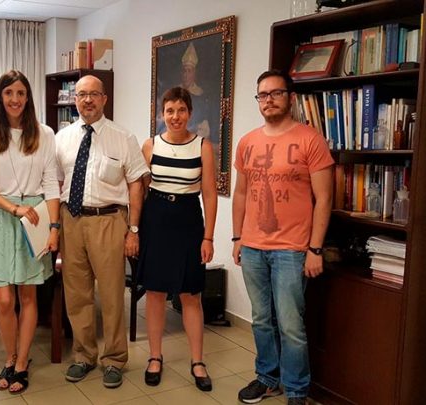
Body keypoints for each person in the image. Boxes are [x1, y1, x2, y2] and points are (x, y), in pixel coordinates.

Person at [233, 70, 333, 405]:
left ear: (290, 98)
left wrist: (315, 248)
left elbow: (324, 198)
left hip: (292, 249)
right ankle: (267, 378)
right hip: (252, 246)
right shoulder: (247, 142)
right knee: (261, 320)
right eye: (262, 95)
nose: (269, 100)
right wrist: (237, 238)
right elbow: (241, 193)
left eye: (276, 93)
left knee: (291, 324)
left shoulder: (310, 140)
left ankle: (296, 389)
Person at [56, 75, 149, 389]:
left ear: (104, 99)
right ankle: (83, 356)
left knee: (110, 295)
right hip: (71, 220)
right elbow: (55, 184)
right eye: (81, 94)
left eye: (94, 94)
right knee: (77, 294)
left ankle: (114, 359)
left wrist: (133, 230)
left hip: (109, 220)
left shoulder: (123, 137)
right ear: (75, 99)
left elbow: (136, 185)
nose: (87, 100)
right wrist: (55, 226)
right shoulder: (62, 138)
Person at [0, 70, 60, 394]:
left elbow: (51, 183)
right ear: (0, 97)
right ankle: (9, 357)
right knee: (5, 298)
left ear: (28, 97)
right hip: (1, 216)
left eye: (21, 93)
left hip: (35, 216)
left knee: (28, 294)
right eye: (9, 93)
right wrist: (12, 208)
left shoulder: (44, 134)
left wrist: (54, 227)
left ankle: (22, 363)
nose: (15, 99)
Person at [137, 86, 217, 390]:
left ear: (190, 113)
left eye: (181, 110)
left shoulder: (202, 146)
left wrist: (208, 237)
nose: (175, 116)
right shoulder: (150, 146)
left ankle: (197, 361)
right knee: (155, 293)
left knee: (190, 294)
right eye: (169, 110)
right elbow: (141, 190)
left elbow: (209, 194)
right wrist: (134, 230)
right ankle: (154, 357)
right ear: (162, 114)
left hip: (188, 222)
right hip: (156, 221)